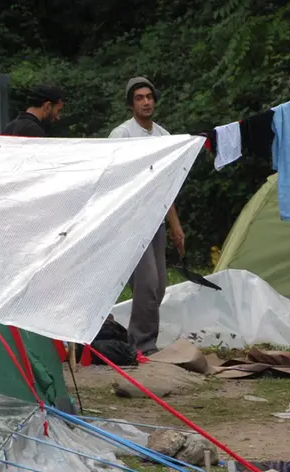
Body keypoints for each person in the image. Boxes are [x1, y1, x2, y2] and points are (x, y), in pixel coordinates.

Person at [109, 76, 185, 356]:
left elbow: (169, 185)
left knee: (160, 286)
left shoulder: (163, 136)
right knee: (147, 283)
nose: (146, 102)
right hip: (131, 220)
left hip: (157, 219)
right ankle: (143, 344)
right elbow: (112, 178)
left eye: (149, 97)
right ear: (131, 104)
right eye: (139, 98)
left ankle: (139, 338)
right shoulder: (122, 135)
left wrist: (175, 226)